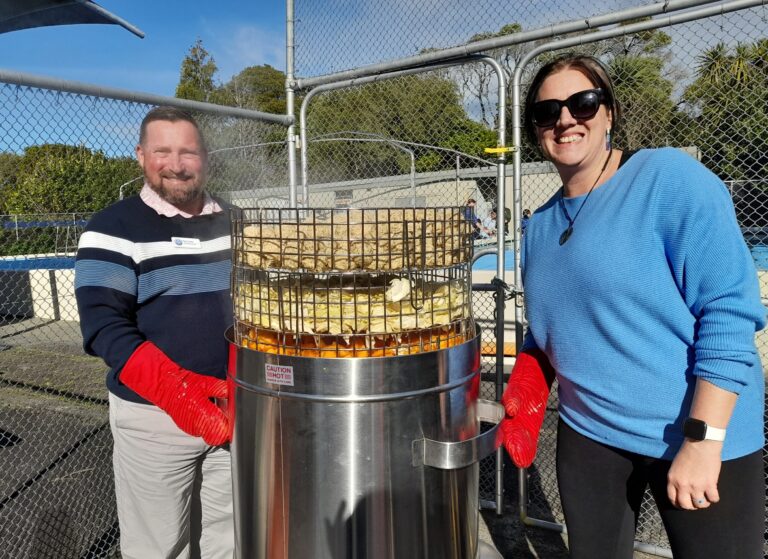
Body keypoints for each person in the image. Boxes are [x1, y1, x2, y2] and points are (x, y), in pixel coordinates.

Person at [500, 54, 765, 559]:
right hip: (590, 435)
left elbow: (728, 310)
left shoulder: (666, 179)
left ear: (609, 113)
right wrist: (531, 379)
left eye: (583, 103)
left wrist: (704, 440)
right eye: (547, 110)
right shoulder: (539, 225)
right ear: (535, 128)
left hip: (691, 433)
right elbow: (551, 326)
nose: (565, 119)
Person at [75, 106, 235, 558]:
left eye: (188, 151)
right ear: (141, 155)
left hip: (233, 404)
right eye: (162, 151)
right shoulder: (113, 228)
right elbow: (104, 325)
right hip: (154, 418)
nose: (176, 163)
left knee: (229, 537)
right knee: (159, 544)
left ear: (206, 156)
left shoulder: (237, 220)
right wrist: (175, 391)